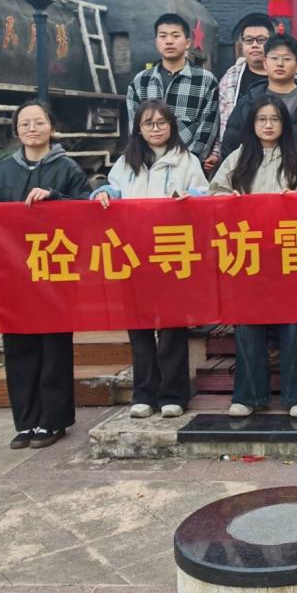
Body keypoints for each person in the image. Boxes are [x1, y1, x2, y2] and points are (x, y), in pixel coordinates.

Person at [0, 101, 90, 449]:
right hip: (14, 275)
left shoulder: (67, 168)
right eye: (25, 124)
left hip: (54, 272)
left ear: (51, 127)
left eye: (39, 122)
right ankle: (27, 421)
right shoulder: (2, 170)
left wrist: (55, 198)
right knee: (18, 349)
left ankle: (54, 420)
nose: (32, 128)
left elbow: (87, 208)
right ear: (16, 131)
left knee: (53, 349)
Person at [210, 95, 297, 419]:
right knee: (248, 325)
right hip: (248, 256)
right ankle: (249, 395)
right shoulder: (238, 159)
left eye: (275, 119)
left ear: (284, 124)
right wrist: (229, 199)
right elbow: (213, 195)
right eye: (262, 119)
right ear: (252, 124)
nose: (268, 125)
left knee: (295, 324)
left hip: (289, 255)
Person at [92, 101, 208, 419]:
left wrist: (193, 199)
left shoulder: (187, 160)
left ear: (171, 126)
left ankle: (173, 394)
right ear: (139, 129)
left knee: (172, 327)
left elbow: (206, 194)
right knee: (139, 328)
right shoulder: (126, 162)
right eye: (148, 124)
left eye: (161, 123)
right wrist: (104, 193)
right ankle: (143, 393)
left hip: (171, 252)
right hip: (133, 253)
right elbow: (112, 189)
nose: (155, 129)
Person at [221, 33, 297, 172]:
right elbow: (230, 146)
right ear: (265, 63)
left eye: (287, 59)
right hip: (255, 179)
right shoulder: (248, 102)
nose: (280, 64)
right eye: (274, 58)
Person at [126, 13, 218, 161]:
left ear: (187, 43)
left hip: (187, 164)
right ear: (156, 42)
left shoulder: (205, 81)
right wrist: (143, 160)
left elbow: (207, 128)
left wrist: (189, 163)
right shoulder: (141, 81)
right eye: (163, 36)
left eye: (175, 36)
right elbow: (134, 126)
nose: (169, 41)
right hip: (148, 162)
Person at [205, 14, 273, 173]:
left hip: (277, 157)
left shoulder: (291, 76)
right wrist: (216, 152)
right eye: (249, 40)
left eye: (261, 40)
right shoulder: (231, 76)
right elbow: (221, 118)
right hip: (238, 159)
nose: (255, 45)